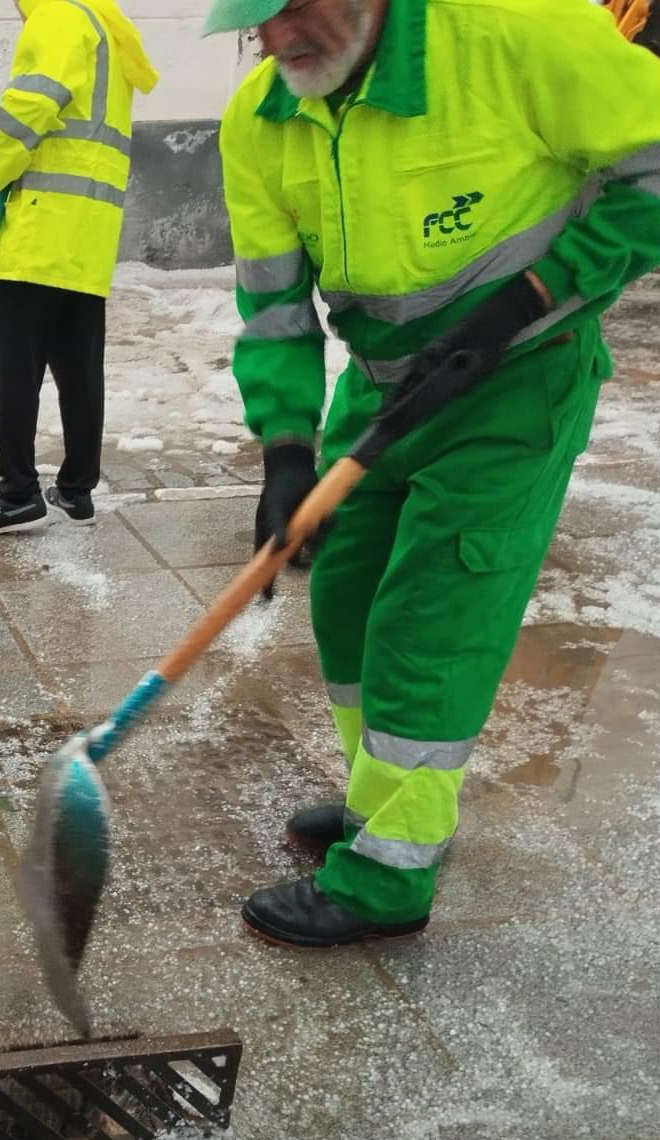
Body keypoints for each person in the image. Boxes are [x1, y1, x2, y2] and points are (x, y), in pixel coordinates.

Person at [205, 0, 660, 946]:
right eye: (261, 15)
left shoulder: (514, 37)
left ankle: (386, 883)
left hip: (517, 378)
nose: (282, 31)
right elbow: (275, 307)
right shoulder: (261, 118)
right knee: (345, 600)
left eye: (301, 3)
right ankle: (391, 807)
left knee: (428, 620)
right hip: (380, 387)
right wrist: (287, 449)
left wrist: (530, 298)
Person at [0, 0, 158, 534]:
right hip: (88, 235)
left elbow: (31, 104)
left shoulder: (59, 17)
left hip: (38, 233)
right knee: (78, 367)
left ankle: (18, 493)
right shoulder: (106, 32)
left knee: (11, 368)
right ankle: (76, 490)